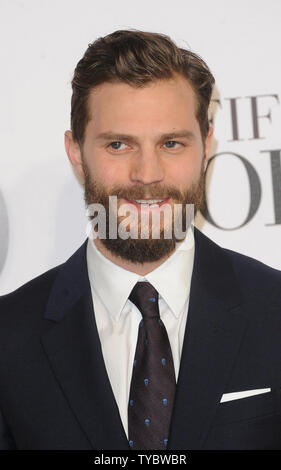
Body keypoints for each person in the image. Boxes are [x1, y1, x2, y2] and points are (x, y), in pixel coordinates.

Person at [0, 29, 281, 451]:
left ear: (206, 145)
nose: (147, 174)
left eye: (171, 143)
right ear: (76, 151)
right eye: (118, 144)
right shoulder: (9, 338)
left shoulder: (274, 309)